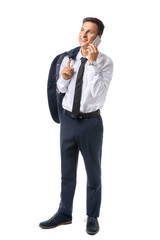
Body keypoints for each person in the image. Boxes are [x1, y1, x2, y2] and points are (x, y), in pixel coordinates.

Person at [39, 17, 113, 235]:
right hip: (68, 123)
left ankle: (92, 216)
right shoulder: (68, 59)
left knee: (93, 173)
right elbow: (62, 89)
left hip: (90, 124)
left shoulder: (105, 62)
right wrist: (63, 77)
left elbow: (97, 93)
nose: (84, 34)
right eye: (82, 29)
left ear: (98, 38)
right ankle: (64, 212)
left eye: (90, 32)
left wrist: (91, 63)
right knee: (67, 171)